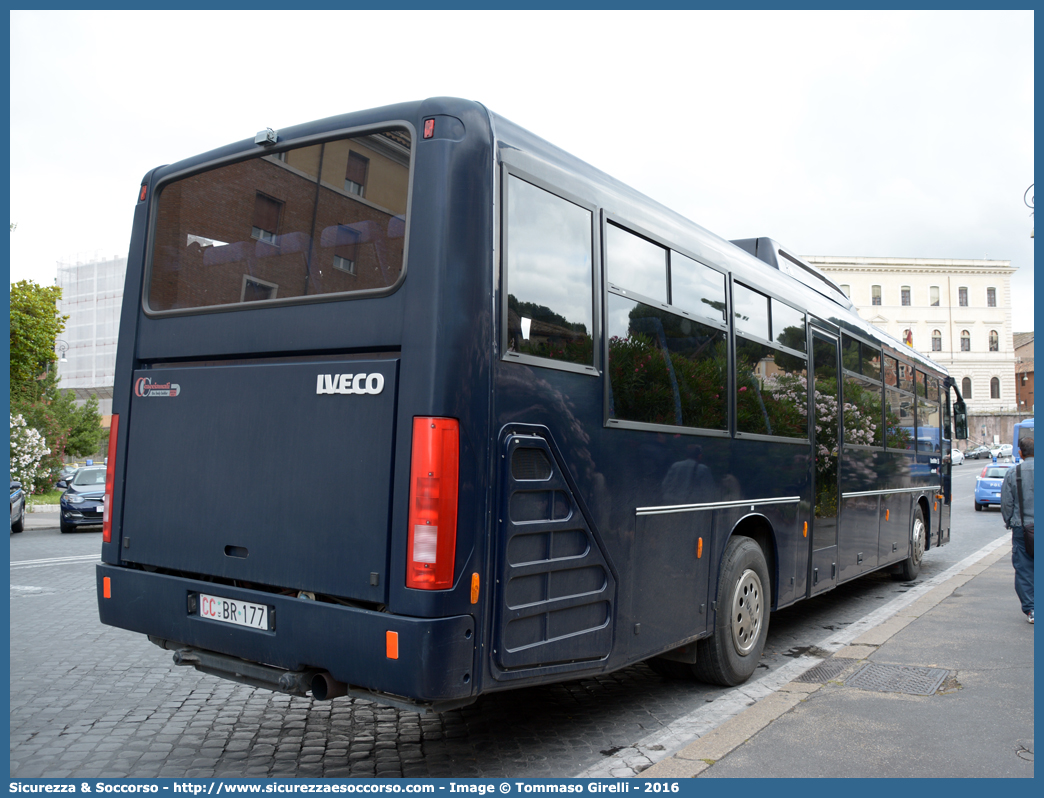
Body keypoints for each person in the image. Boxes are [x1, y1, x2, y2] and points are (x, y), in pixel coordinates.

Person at [1001, 435, 1034, 624]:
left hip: (1023, 529)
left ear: (1020, 453)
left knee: (1024, 569)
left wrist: (1010, 522)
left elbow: (1007, 503)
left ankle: (1032, 609)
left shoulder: (1014, 473)